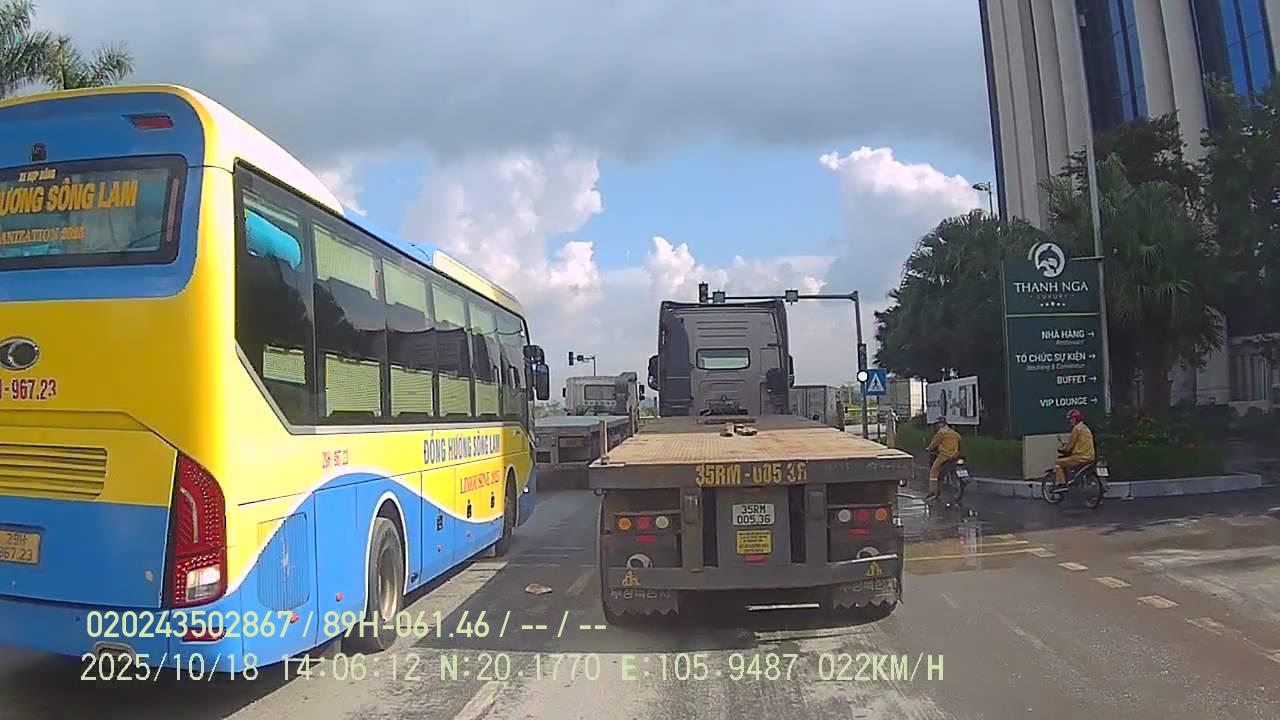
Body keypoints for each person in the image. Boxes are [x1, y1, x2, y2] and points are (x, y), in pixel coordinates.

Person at [1054, 408, 1095, 486]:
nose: (1070, 421)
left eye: (1071, 419)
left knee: (1059, 462)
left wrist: (1063, 449)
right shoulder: (1086, 428)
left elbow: (1069, 445)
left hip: (1080, 457)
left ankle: (1061, 484)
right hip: (1090, 456)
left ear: (1075, 419)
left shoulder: (1076, 429)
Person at [926, 416, 961, 501]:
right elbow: (959, 438)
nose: (937, 426)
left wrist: (928, 448)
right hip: (955, 455)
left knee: (934, 470)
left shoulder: (941, 433)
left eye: (937, 424)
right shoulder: (953, 432)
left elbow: (934, 443)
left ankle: (933, 491)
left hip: (944, 456)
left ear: (941, 424)